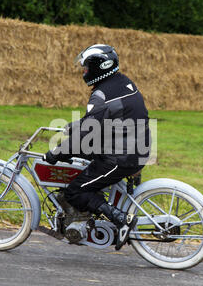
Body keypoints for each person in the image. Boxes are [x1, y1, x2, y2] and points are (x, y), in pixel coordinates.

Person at [43, 44, 150, 250]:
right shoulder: (123, 82)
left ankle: (120, 218)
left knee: (75, 190)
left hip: (121, 156)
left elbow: (87, 132)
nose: (83, 72)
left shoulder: (101, 94)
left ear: (100, 67)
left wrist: (57, 153)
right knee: (84, 160)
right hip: (136, 147)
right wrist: (74, 128)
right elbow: (95, 122)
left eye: (86, 67)